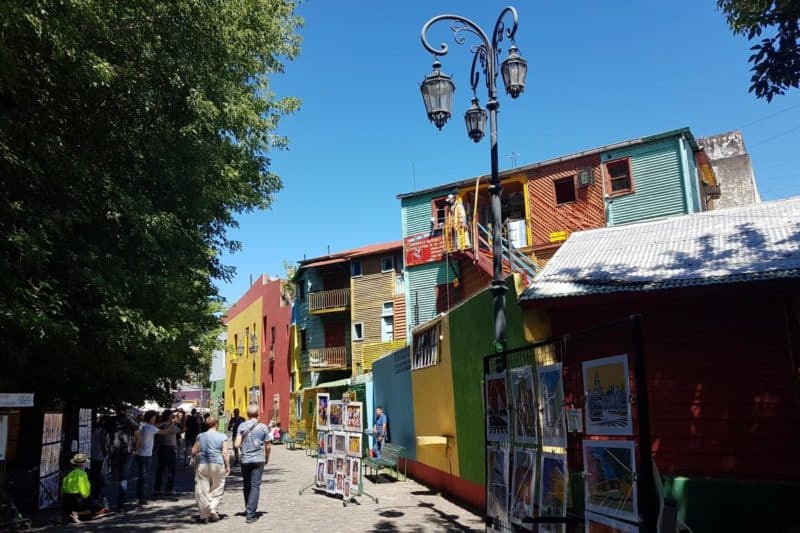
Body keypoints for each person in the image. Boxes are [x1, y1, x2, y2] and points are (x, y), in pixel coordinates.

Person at [234, 403, 271, 524]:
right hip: (258, 459)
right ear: (258, 414)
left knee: (247, 485)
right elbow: (268, 445)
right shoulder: (263, 427)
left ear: (247, 414)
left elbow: (236, 445)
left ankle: (248, 508)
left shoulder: (241, 426)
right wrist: (267, 457)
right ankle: (250, 513)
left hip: (245, 459)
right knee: (255, 486)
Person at [192, 416, 230, 523]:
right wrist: (227, 466)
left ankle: (204, 515)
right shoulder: (222, 436)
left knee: (202, 489)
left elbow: (193, 451)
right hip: (217, 463)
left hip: (203, 464)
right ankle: (213, 508)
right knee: (217, 487)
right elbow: (225, 453)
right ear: (216, 424)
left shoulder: (200, 436)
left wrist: (200, 453)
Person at [104, 411, 140, 512]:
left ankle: (105, 504)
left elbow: (105, 436)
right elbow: (138, 436)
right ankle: (120, 505)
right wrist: (135, 450)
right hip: (127, 452)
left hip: (113, 451)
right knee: (123, 479)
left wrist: (105, 451)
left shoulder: (111, 421)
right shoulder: (131, 421)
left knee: (108, 477)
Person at [62, 453, 109, 523]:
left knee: (89, 513)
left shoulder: (68, 474)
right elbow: (85, 493)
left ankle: (73, 514)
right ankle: (76, 513)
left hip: (66, 501)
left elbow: (62, 490)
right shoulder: (82, 474)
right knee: (98, 507)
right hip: (77, 501)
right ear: (83, 464)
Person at [153, 410, 184, 496]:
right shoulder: (170, 426)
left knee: (160, 469)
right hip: (170, 448)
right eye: (172, 415)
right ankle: (169, 489)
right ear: (169, 416)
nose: (173, 416)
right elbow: (182, 430)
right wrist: (183, 422)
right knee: (171, 469)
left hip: (161, 447)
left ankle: (157, 489)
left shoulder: (161, 424)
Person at [135, 411, 160, 505]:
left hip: (139, 453)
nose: (155, 419)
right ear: (151, 418)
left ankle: (139, 496)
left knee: (141, 476)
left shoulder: (142, 425)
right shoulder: (150, 427)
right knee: (143, 477)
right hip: (146, 455)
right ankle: (140, 497)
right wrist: (170, 423)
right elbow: (164, 432)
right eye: (154, 417)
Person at [89, 416, 109, 508]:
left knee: (93, 478)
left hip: (92, 456)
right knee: (100, 479)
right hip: (101, 457)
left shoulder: (93, 430)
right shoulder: (105, 432)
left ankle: (93, 497)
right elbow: (106, 446)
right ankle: (99, 498)